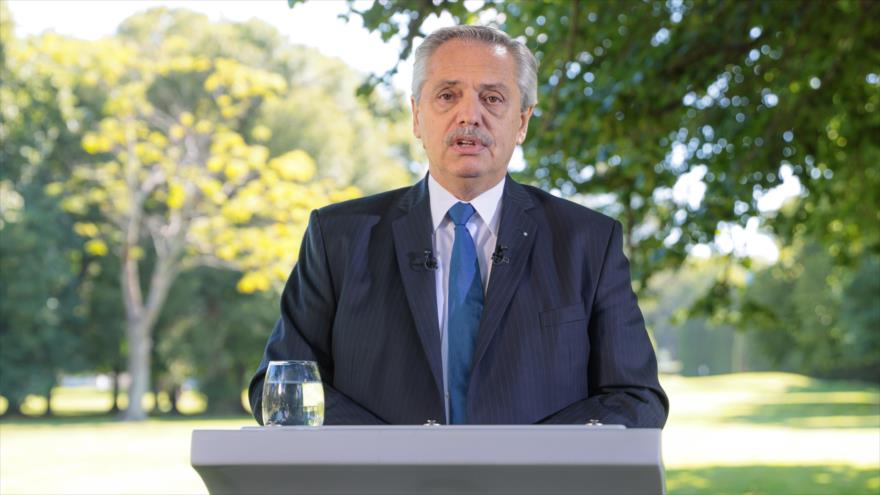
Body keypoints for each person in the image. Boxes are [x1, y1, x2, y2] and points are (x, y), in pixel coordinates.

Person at [248, 25, 669, 427]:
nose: (470, 114)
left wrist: (530, 458)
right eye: (448, 95)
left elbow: (635, 398)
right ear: (416, 117)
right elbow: (280, 387)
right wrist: (394, 457)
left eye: (493, 98)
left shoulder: (588, 241)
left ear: (521, 122)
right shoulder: (336, 237)